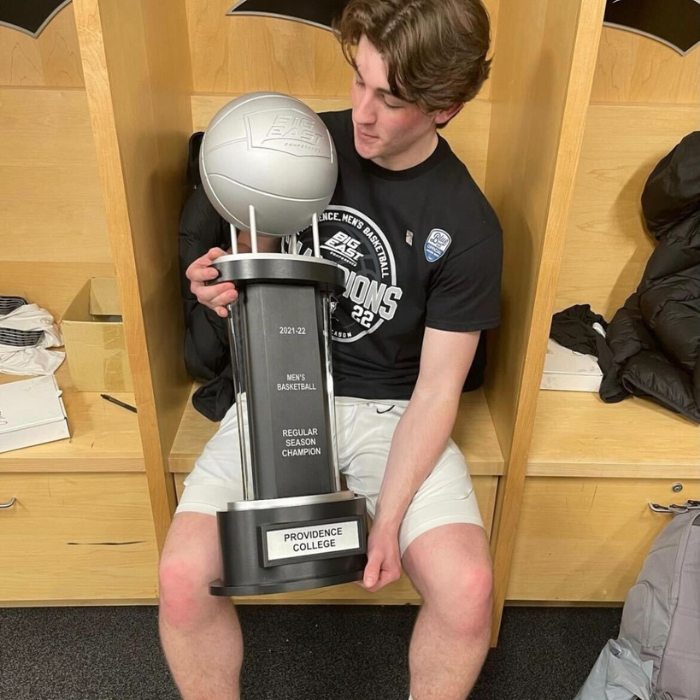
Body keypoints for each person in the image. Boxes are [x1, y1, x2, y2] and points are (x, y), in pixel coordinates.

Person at [159, 1, 502, 698]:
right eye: (360, 83)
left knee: (468, 589)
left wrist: (392, 520)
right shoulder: (301, 146)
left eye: (392, 99)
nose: (363, 116)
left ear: (447, 108)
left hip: (392, 412)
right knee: (179, 579)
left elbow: (438, 392)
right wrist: (220, 284)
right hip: (279, 389)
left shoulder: (467, 223)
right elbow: (252, 263)